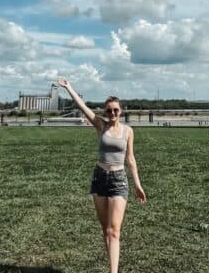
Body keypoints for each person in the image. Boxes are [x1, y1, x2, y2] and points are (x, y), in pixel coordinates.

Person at [57, 78, 147, 272]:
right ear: (104, 112)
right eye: (108, 110)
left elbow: (130, 159)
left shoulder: (128, 131)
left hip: (118, 180)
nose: (112, 113)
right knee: (106, 230)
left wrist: (138, 185)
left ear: (121, 111)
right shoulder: (100, 125)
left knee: (115, 231)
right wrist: (69, 88)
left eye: (116, 110)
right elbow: (82, 106)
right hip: (99, 178)